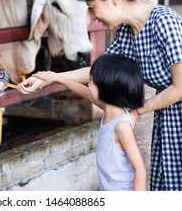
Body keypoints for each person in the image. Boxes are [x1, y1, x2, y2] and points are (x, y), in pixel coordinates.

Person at [18, 0, 182, 191]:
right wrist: (50, 76)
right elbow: (97, 73)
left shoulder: (164, 22)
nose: (93, 17)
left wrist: (138, 110)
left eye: (93, 8)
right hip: (168, 116)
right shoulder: (126, 32)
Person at [35, 54, 146, 191]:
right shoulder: (109, 110)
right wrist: (57, 78)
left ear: (107, 87)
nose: (88, 83)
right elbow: (87, 93)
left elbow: (140, 169)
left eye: (91, 81)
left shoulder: (121, 126)